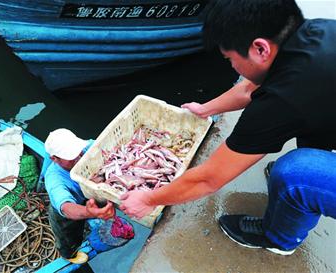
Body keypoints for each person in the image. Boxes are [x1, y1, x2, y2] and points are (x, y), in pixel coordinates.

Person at [120, 0, 336, 256]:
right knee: (313, 116)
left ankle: (280, 238)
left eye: (231, 59)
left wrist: (148, 200)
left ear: (260, 48)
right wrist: (206, 109)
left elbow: (209, 179)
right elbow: (249, 88)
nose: (233, 68)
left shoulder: (282, 100)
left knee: (295, 173)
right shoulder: (318, 32)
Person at [43, 128, 115, 259]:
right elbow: (67, 208)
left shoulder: (84, 149)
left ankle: (88, 220)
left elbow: (101, 143)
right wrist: (91, 212)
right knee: (69, 239)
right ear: (54, 158)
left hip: (85, 197)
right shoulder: (54, 179)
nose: (77, 157)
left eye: (77, 151)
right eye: (70, 156)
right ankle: (70, 255)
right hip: (66, 216)